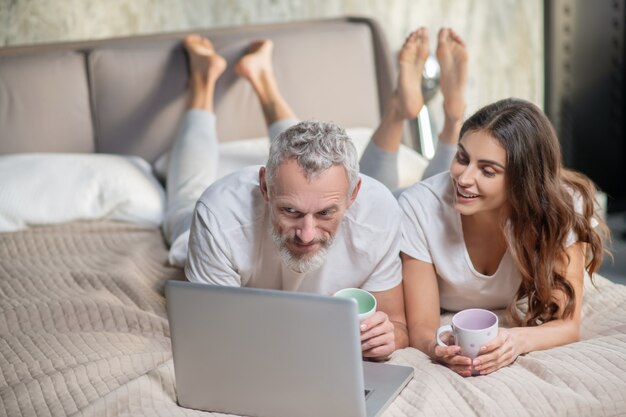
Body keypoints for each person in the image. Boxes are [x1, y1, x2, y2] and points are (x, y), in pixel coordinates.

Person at [160, 27, 467, 361]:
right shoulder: (219, 217)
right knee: (185, 200)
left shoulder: (379, 212)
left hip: (299, 180)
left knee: (301, 155)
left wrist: (388, 336)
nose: (307, 235)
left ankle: (264, 81)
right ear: (264, 187)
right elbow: (215, 335)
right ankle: (203, 83)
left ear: (354, 194)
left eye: (325, 214)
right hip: (204, 223)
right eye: (290, 211)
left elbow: (397, 325)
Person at [399, 97, 610, 376]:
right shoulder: (418, 207)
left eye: (487, 170)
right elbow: (423, 327)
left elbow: (567, 325)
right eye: (462, 157)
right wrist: (439, 350)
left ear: (523, 180)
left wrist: (514, 339)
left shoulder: (564, 206)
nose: (463, 178)